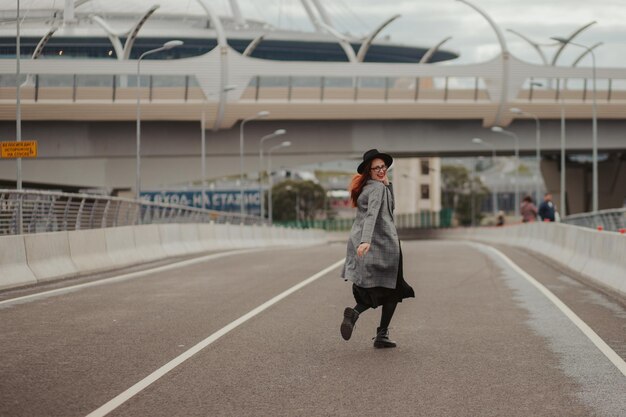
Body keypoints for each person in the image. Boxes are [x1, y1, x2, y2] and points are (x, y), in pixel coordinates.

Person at [340, 149, 415, 348]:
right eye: (376, 168)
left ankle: (364, 321)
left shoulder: (368, 187)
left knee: (382, 289)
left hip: (368, 243)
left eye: (383, 167)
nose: (381, 170)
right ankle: (377, 331)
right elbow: (373, 215)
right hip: (382, 244)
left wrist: (388, 186)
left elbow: (390, 208)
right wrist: (366, 241)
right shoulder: (377, 189)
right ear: (369, 170)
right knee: (393, 289)